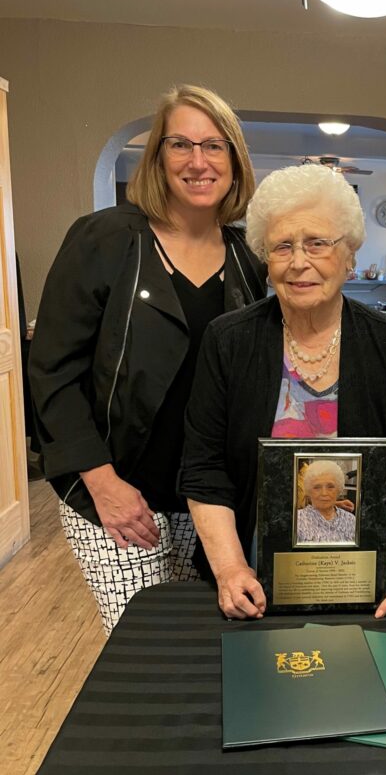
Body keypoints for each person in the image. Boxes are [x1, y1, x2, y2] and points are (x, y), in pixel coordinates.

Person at [29, 84, 266, 633]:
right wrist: (103, 483)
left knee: (211, 643)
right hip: (117, 496)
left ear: (235, 159)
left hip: (213, 503)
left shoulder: (249, 258)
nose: (198, 161)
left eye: (215, 145)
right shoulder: (106, 240)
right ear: (158, 158)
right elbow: (53, 372)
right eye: (180, 144)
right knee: (146, 642)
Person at [180, 163, 386, 620]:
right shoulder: (227, 341)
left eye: (317, 243)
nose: (298, 262)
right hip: (254, 579)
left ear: (350, 255)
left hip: (366, 580)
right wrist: (231, 570)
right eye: (282, 246)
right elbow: (204, 468)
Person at [296, 459, 356, 544]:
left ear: (339, 489)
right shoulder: (297, 520)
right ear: (308, 491)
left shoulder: (351, 520)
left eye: (330, 487)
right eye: (317, 487)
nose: (324, 493)